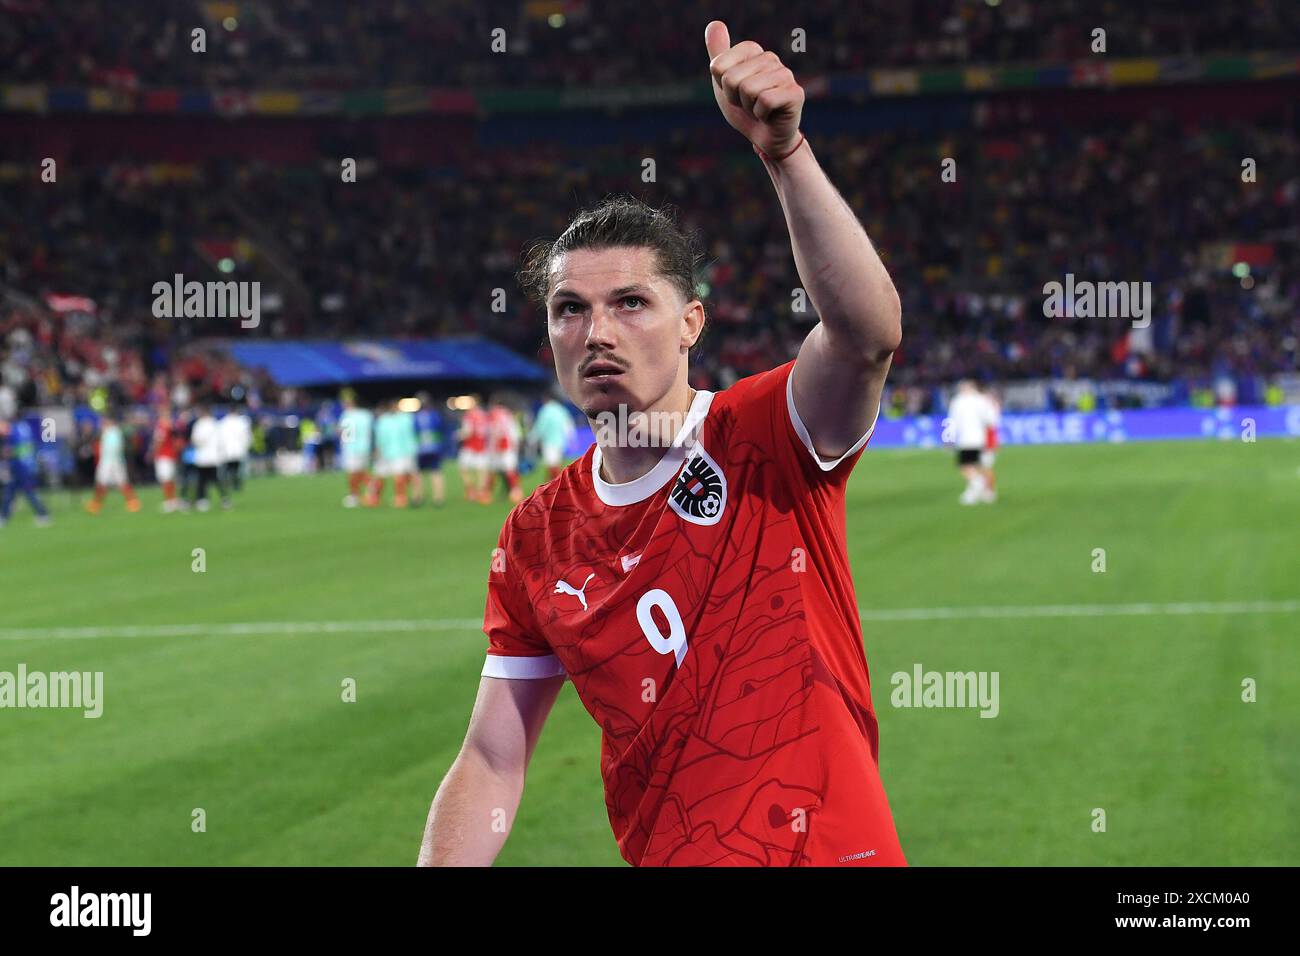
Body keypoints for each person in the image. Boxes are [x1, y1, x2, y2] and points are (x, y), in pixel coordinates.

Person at [420, 21, 905, 868]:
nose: (597, 331)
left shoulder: (765, 435)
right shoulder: (536, 535)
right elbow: (495, 757)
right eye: (570, 310)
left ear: (691, 324)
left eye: (631, 303)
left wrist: (785, 155)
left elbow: (865, 335)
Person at [947, 380, 999, 505]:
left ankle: (977, 484)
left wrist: (948, 439)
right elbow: (991, 420)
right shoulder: (982, 400)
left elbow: (951, 421)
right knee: (983, 466)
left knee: (965, 465)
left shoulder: (958, 401)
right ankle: (989, 492)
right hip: (982, 438)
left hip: (966, 439)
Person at [0, 414, 51, 527]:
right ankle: (3, 517)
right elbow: (30, 445)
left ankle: (43, 514)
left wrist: (7, 453)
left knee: (27, 491)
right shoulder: (25, 427)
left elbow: (11, 449)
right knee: (10, 491)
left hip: (19, 465)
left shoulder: (13, 430)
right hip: (26, 464)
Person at [86, 412, 142, 514]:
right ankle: (96, 503)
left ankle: (132, 502)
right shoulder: (108, 432)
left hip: (112, 462)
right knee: (103, 482)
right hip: (109, 461)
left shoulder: (114, 432)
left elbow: (114, 449)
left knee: (119, 482)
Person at [188, 404, 230, 511]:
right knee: (215, 479)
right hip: (213, 456)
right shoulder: (215, 424)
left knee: (202, 480)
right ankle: (224, 499)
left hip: (203, 456)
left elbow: (195, 440)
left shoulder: (199, 424)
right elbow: (221, 441)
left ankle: (202, 500)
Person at [529, 391, 576, 481]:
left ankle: (557, 484)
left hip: (549, 442)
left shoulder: (545, 410)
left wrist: (532, 439)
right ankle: (554, 485)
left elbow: (540, 427)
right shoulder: (561, 409)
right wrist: (571, 439)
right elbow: (568, 425)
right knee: (556, 464)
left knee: (552, 465)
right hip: (560, 442)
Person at [338, 391, 374, 508]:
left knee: (353, 473)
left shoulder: (346, 415)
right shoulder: (366, 415)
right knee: (359, 471)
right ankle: (369, 486)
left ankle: (355, 495)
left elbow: (341, 432)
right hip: (364, 447)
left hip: (351, 448)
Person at [486, 396, 524, 504]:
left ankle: (487, 494)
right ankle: (516, 492)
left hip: (499, 446)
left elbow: (494, 431)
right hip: (509, 445)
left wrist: (492, 447)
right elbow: (514, 431)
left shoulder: (494, 414)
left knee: (493, 470)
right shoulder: (508, 414)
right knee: (510, 469)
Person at [412, 392, 447, 507]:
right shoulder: (435, 415)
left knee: (418, 474)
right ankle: (438, 498)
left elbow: (414, 432)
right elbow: (441, 430)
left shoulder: (416, 417)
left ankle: (418, 497)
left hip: (421, 449)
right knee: (436, 473)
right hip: (434, 448)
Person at [456, 396, 490, 503]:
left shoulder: (469, 416)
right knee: (481, 471)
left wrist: (459, 435)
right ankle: (481, 492)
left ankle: (471, 491)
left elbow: (468, 432)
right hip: (482, 446)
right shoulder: (484, 415)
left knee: (463, 468)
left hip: (470, 446)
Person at [149, 407, 182, 513]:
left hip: (164, 456)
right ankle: (173, 500)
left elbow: (159, 441)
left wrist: (153, 452)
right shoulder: (173, 426)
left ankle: (169, 502)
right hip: (171, 456)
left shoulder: (162, 426)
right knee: (171, 479)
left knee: (166, 479)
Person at [218, 405, 252, 493]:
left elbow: (220, 437)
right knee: (235, 468)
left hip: (228, 449)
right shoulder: (242, 422)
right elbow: (246, 436)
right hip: (237, 449)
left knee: (229, 468)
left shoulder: (223, 422)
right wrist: (246, 446)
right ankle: (235, 484)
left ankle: (230, 483)